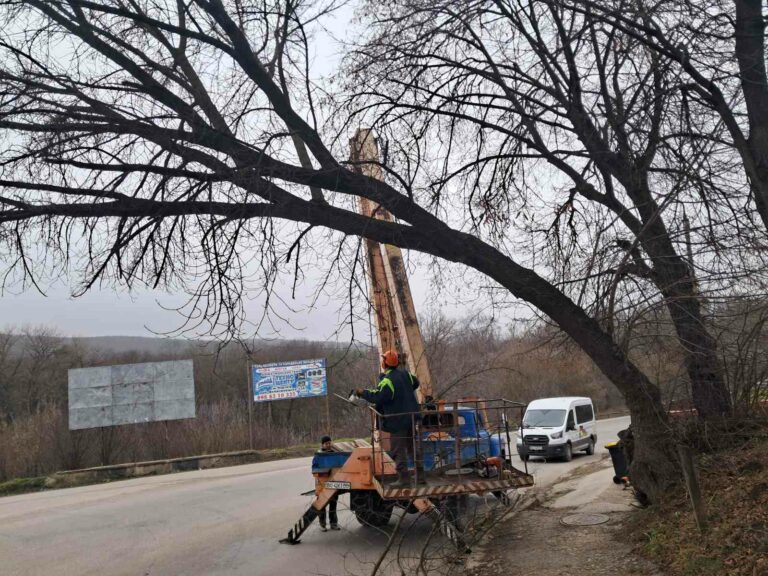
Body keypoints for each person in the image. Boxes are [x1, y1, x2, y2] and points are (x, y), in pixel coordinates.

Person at [354, 350, 425, 488]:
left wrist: (363, 393)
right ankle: (420, 476)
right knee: (412, 448)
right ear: (396, 362)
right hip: (411, 418)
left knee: (399, 450)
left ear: (384, 363)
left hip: (398, 421)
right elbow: (415, 383)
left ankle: (404, 479)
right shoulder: (406, 375)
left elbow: (378, 396)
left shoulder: (387, 381)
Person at [317, 435, 340, 531]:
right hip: (322, 484)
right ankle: (322, 525)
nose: (328, 445)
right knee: (322, 505)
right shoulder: (319, 454)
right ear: (322, 444)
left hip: (333, 483)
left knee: (333, 504)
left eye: (330, 443)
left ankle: (333, 523)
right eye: (326, 443)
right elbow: (315, 469)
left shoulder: (334, 453)